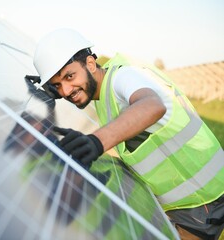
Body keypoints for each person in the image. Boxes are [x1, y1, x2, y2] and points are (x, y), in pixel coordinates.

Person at [31, 28, 224, 240]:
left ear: (91, 64)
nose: (66, 91)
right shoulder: (104, 91)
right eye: (57, 85)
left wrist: (97, 141)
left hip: (202, 200)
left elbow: (152, 105)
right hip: (190, 199)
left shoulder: (123, 77)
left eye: (70, 76)